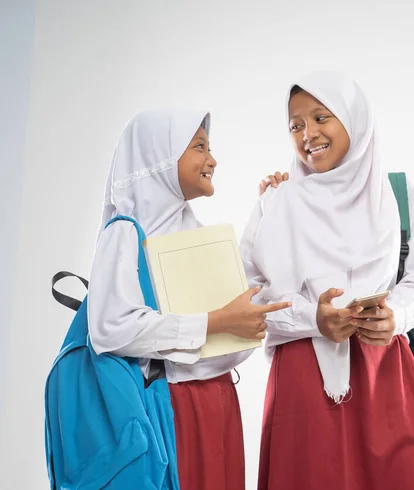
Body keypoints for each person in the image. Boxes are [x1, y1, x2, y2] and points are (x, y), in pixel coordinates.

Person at [240, 72, 414, 490]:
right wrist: (313, 320)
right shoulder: (276, 202)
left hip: (386, 372)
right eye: (295, 125)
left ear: (353, 120)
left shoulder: (397, 194)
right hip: (304, 381)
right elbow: (252, 298)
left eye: (322, 117)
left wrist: (395, 316)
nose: (308, 134)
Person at [88, 108, 290, 490]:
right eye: (199, 147)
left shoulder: (193, 232)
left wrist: (270, 211)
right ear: (159, 157)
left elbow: (243, 301)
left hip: (216, 402)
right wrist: (217, 322)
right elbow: (110, 330)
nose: (212, 159)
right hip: (168, 407)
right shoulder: (126, 233)